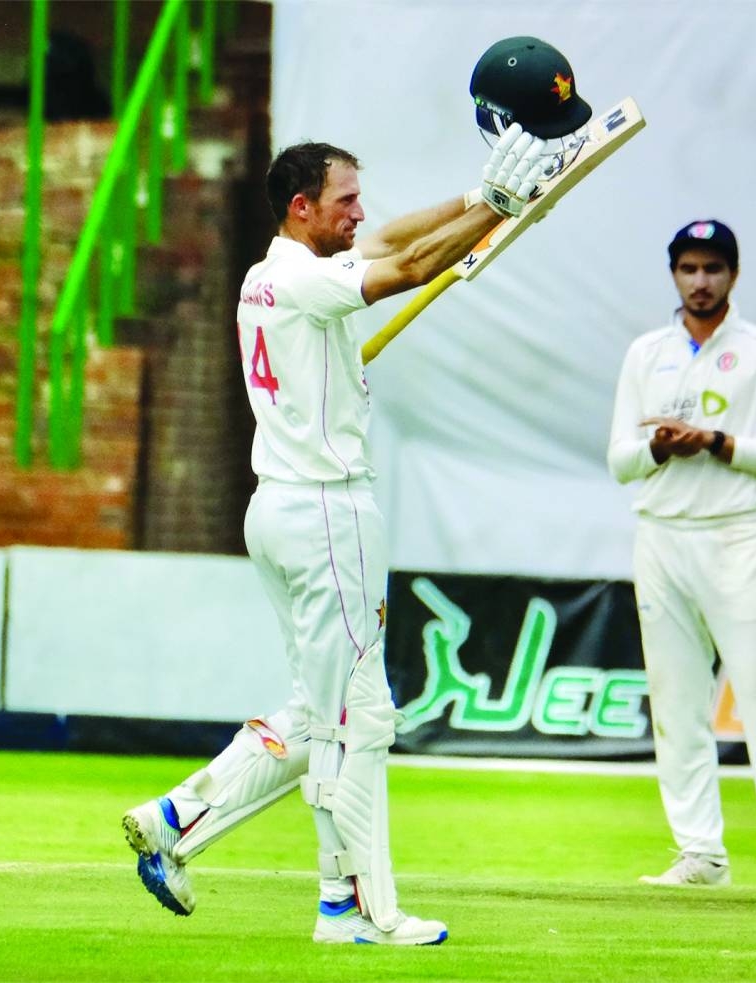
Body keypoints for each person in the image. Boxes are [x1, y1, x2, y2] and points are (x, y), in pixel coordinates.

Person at [122, 127, 548, 944]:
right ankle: (349, 907)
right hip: (327, 511)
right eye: (345, 200)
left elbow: (391, 243)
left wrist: (473, 202)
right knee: (359, 718)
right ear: (301, 207)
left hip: (281, 510)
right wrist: (497, 206)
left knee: (318, 710)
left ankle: (176, 817)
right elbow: (411, 266)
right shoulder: (305, 282)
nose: (360, 213)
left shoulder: (272, 273)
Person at [606, 219, 756, 890]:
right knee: (676, 705)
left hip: (734, 535)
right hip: (660, 537)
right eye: (689, 268)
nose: (700, 281)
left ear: (733, 274)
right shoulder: (646, 353)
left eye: (712, 268)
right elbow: (620, 460)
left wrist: (714, 441)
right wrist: (660, 448)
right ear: (673, 274)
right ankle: (700, 853)